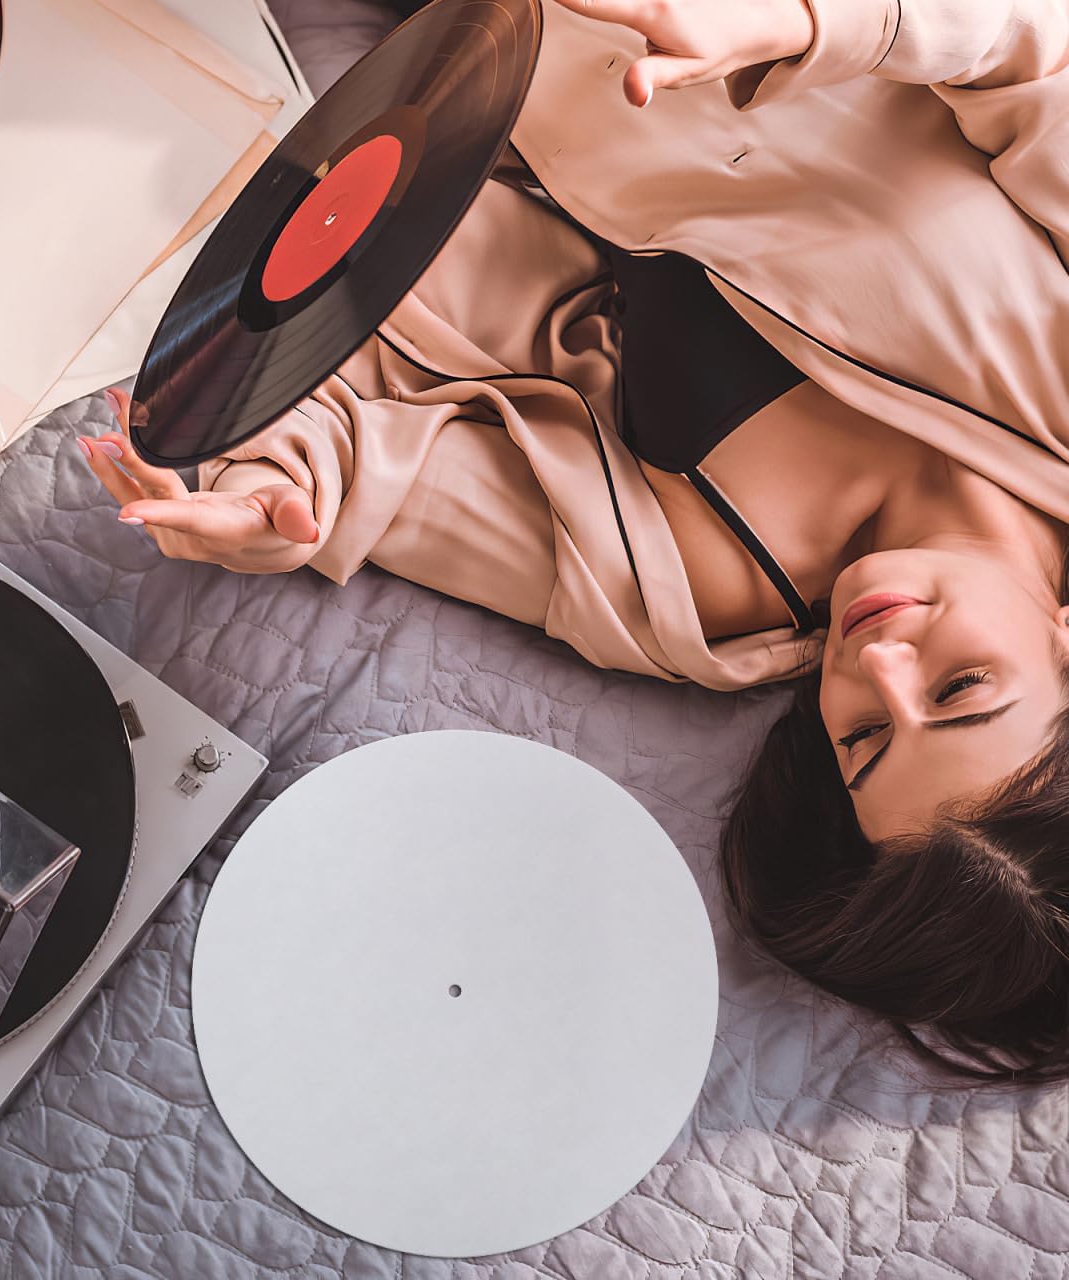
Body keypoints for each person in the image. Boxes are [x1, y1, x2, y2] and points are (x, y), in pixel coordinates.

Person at [84, 0, 1069, 1084]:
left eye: (862, 738)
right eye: (963, 686)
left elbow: (385, 469)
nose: (877, 663)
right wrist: (802, 23)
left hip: (461, 54)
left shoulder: (697, 601)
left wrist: (269, 502)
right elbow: (1034, 49)